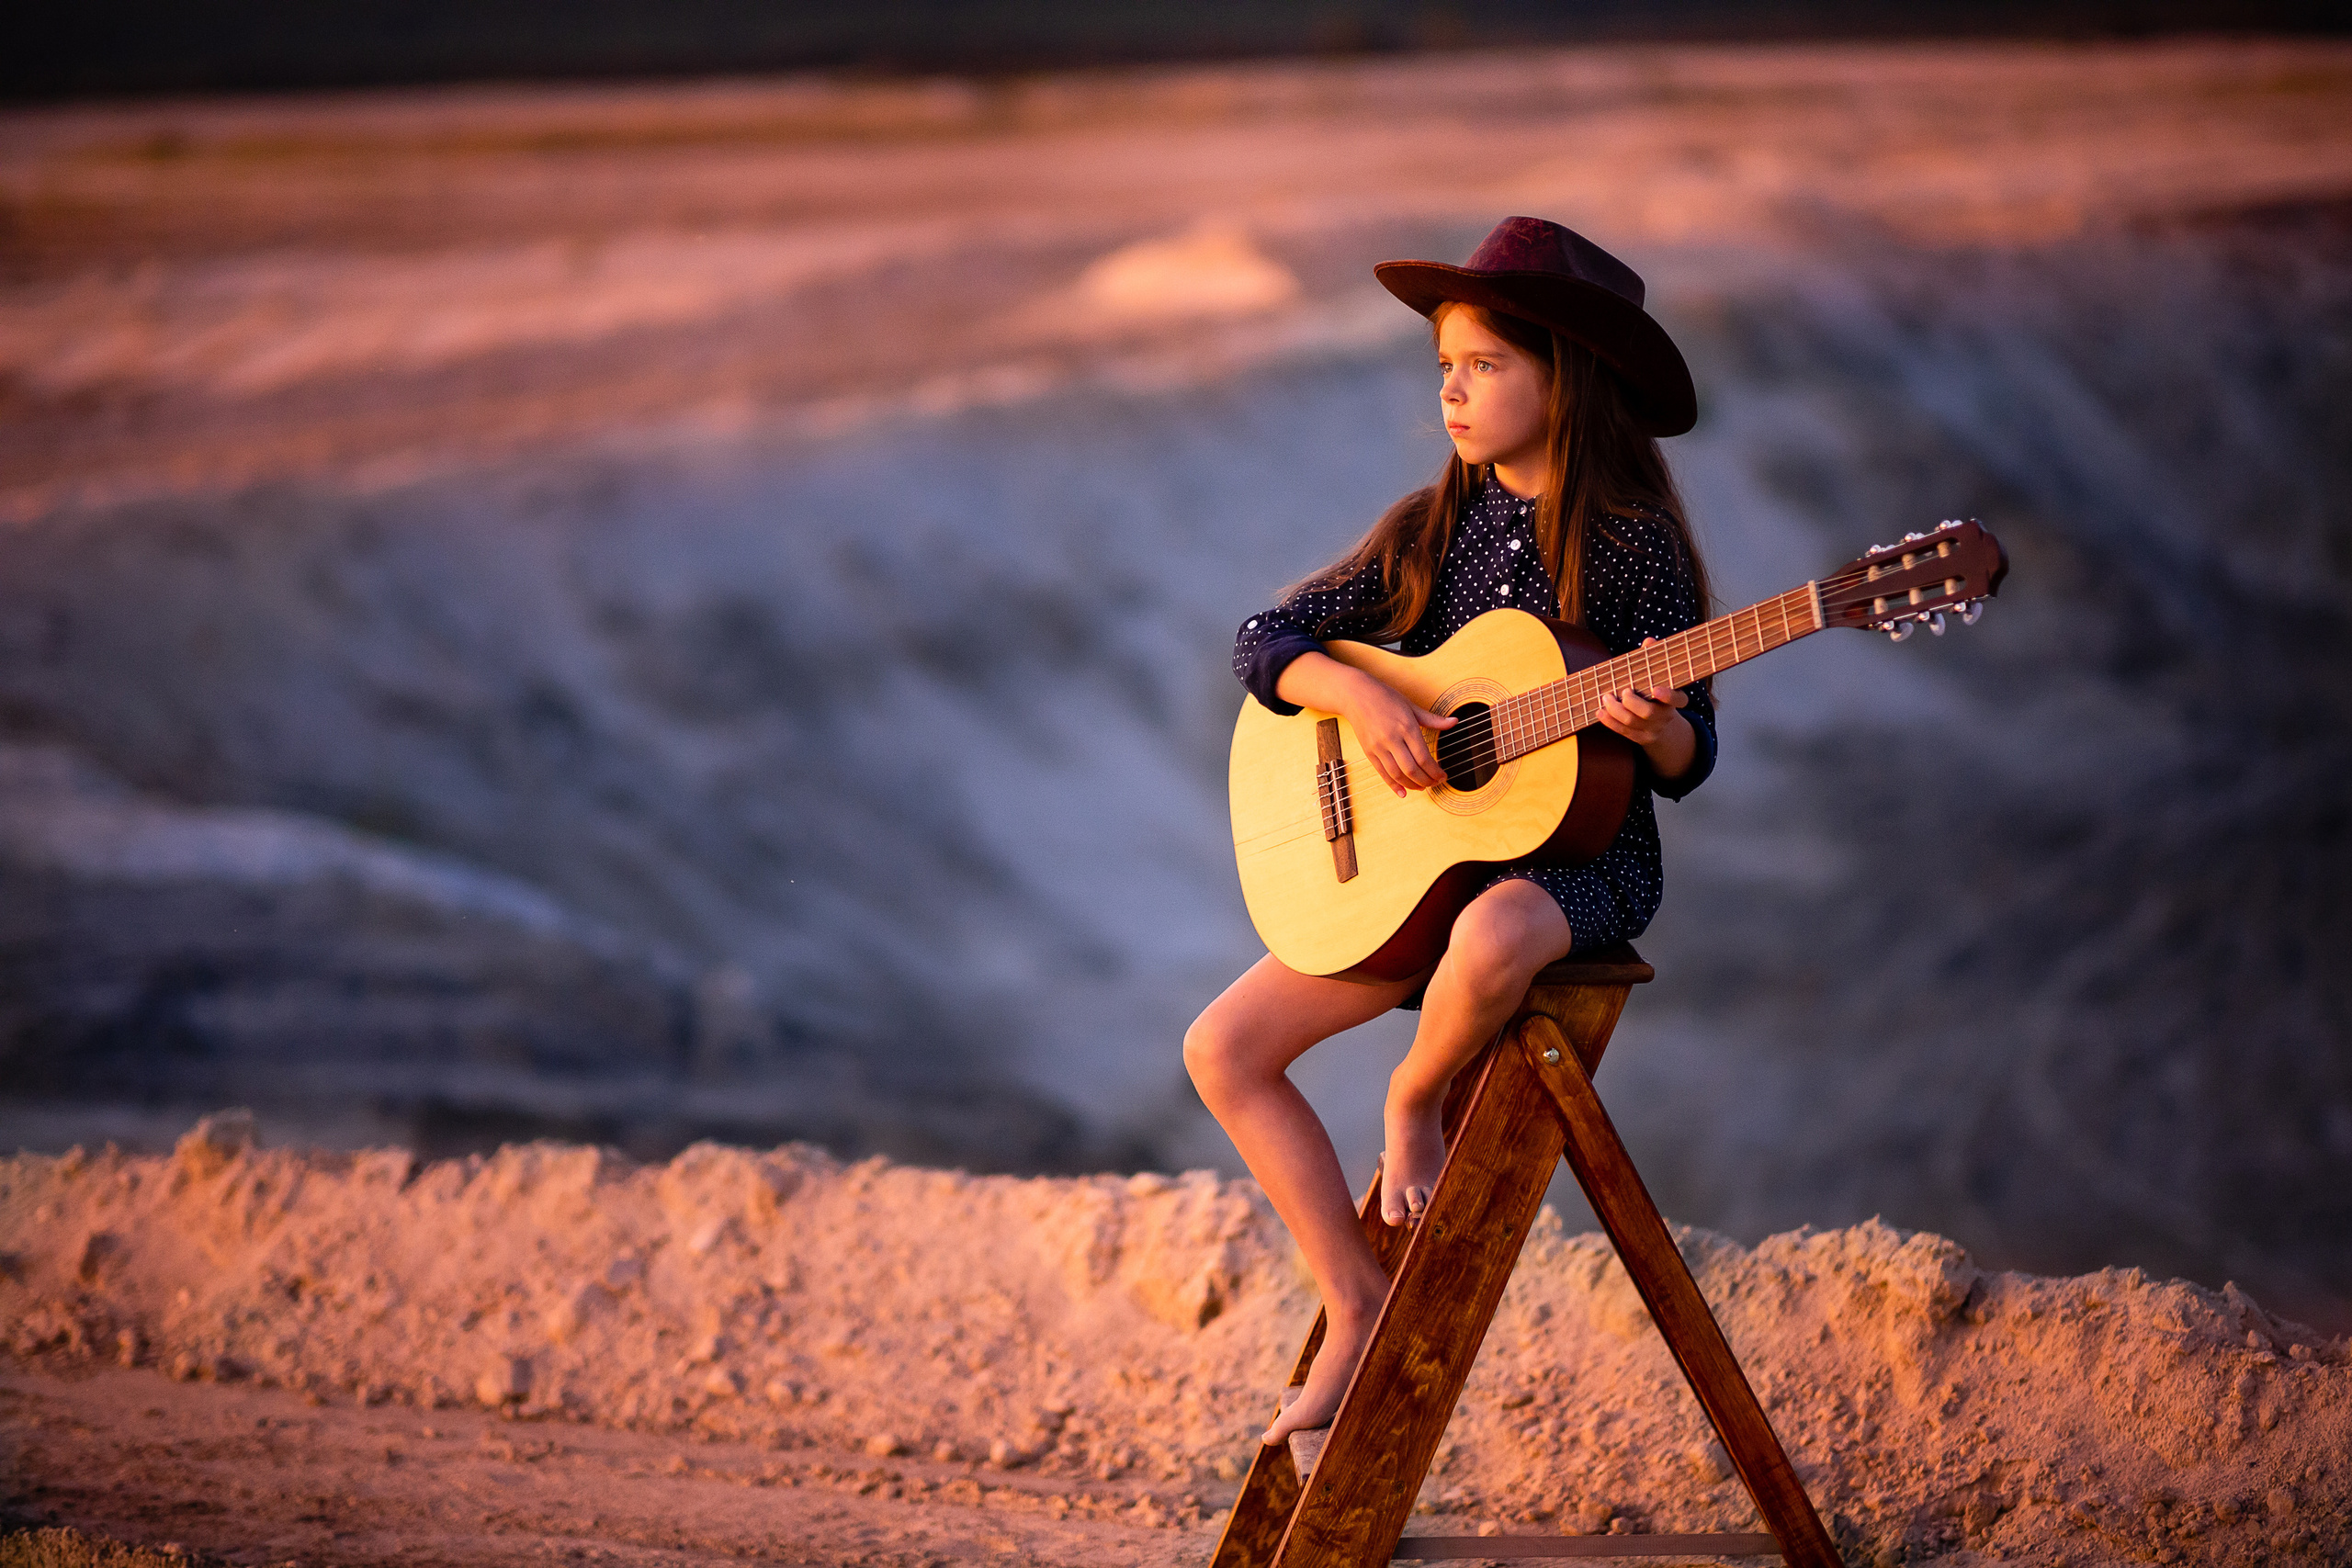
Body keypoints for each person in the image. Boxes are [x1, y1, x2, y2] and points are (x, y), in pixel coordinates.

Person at [1182, 217, 1717, 1447]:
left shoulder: (1639, 555)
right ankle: (1355, 1298)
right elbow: (1266, 643)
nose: (1453, 392)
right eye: (1444, 370)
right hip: (1423, 860)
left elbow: (1696, 759)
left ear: (1563, 379)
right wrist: (1367, 696)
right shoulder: (1435, 529)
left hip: (1576, 868)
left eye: (1482, 366)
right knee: (1224, 1050)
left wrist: (1653, 732)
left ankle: (1410, 1100)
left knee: (1494, 930)